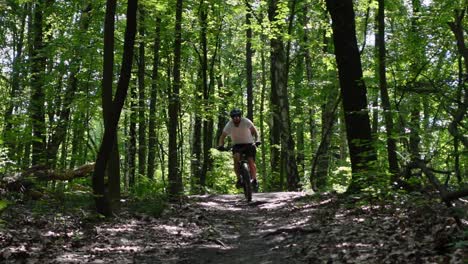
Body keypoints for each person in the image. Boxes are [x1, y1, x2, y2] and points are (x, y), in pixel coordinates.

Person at [217, 108, 260, 190]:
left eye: (238, 116)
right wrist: (220, 145)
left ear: (240, 116)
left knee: (250, 161)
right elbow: (222, 136)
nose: (236, 118)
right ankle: (239, 179)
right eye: (234, 117)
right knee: (236, 160)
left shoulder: (246, 121)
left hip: (249, 144)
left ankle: (254, 180)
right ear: (232, 118)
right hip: (237, 145)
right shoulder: (229, 124)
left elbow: (255, 132)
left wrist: (257, 140)